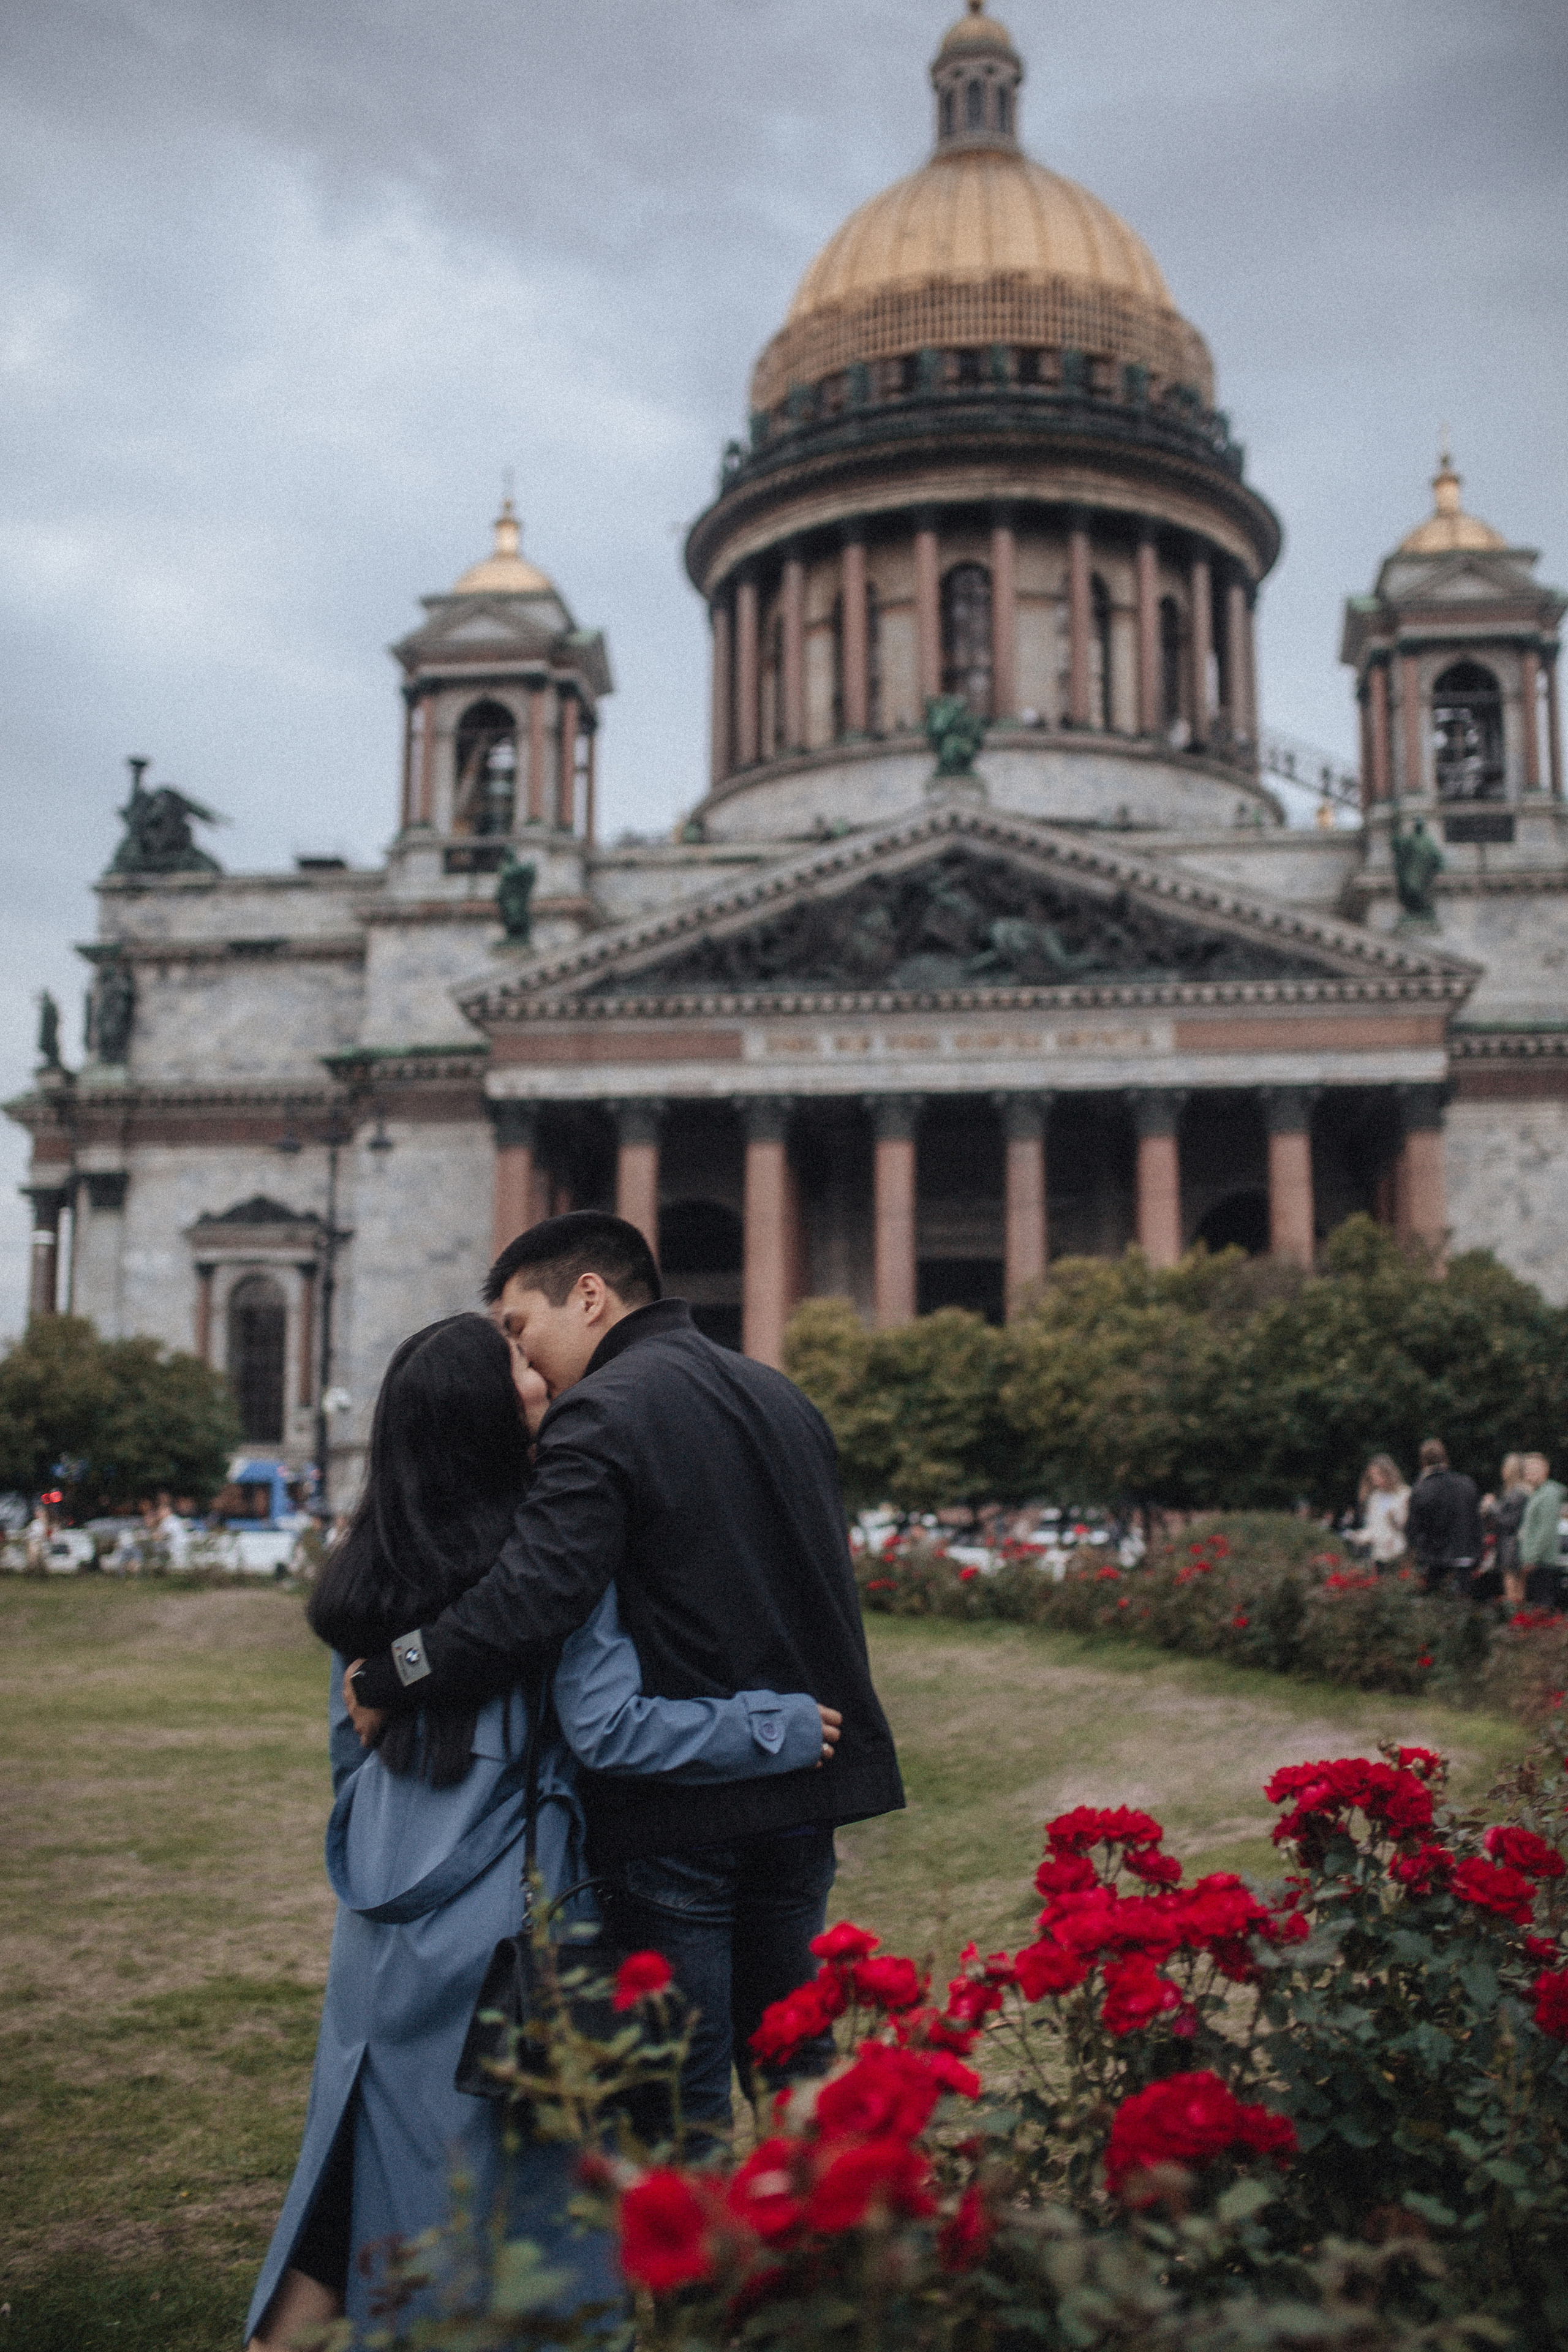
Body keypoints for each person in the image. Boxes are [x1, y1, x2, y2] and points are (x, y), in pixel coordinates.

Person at [246, 1312, 834, 2351]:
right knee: (515, 2205)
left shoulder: (365, 1558)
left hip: (379, 1931)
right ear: (481, 1413)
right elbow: (612, 1731)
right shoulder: (547, 1561)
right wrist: (771, 1724)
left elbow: (352, 1745)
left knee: (344, 2197)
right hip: (509, 1937)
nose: (541, 1372)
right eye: (515, 1361)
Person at [345, 1210, 905, 2133]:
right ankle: (830, 2266)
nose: (526, 1367)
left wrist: (390, 1673)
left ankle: (700, 2283)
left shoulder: (602, 1411)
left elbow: (528, 1599)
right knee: (799, 2068)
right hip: (805, 1790)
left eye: (522, 1329)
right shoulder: (781, 1396)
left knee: (679, 2102)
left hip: (682, 1808)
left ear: (590, 1296)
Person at [1404, 1438, 1483, 1597]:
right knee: (1463, 1604)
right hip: (1465, 1555)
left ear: (1423, 1463)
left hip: (1435, 1558)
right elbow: (1476, 1521)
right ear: (1446, 1459)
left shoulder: (1422, 1490)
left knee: (1438, 1605)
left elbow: (1413, 1529)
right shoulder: (1467, 1483)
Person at [1517, 1452, 1566, 1608]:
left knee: (1541, 1606)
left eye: (1533, 1468)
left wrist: (1531, 1558)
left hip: (1542, 1562)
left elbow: (1545, 1530)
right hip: (1536, 1561)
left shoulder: (1549, 1494)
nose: (1528, 1472)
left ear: (1545, 1469)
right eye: (1526, 1468)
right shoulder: (1539, 1492)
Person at [1480, 1455, 1530, 1607]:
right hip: (1514, 1544)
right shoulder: (1520, 1492)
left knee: (1512, 1583)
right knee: (1517, 1583)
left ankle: (1515, 1617)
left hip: (1512, 1545)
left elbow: (1509, 1521)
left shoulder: (1517, 1493)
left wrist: (1491, 1506)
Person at [1348, 1455, 1409, 1568]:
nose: (1374, 1479)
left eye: (1377, 1475)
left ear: (1388, 1473)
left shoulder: (1404, 1494)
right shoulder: (1374, 1498)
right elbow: (1373, 1527)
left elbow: (1408, 1526)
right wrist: (1360, 1536)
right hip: (1379, 1556)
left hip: (1399, 1553)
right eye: (1372, 1476)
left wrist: (1394, 1522)